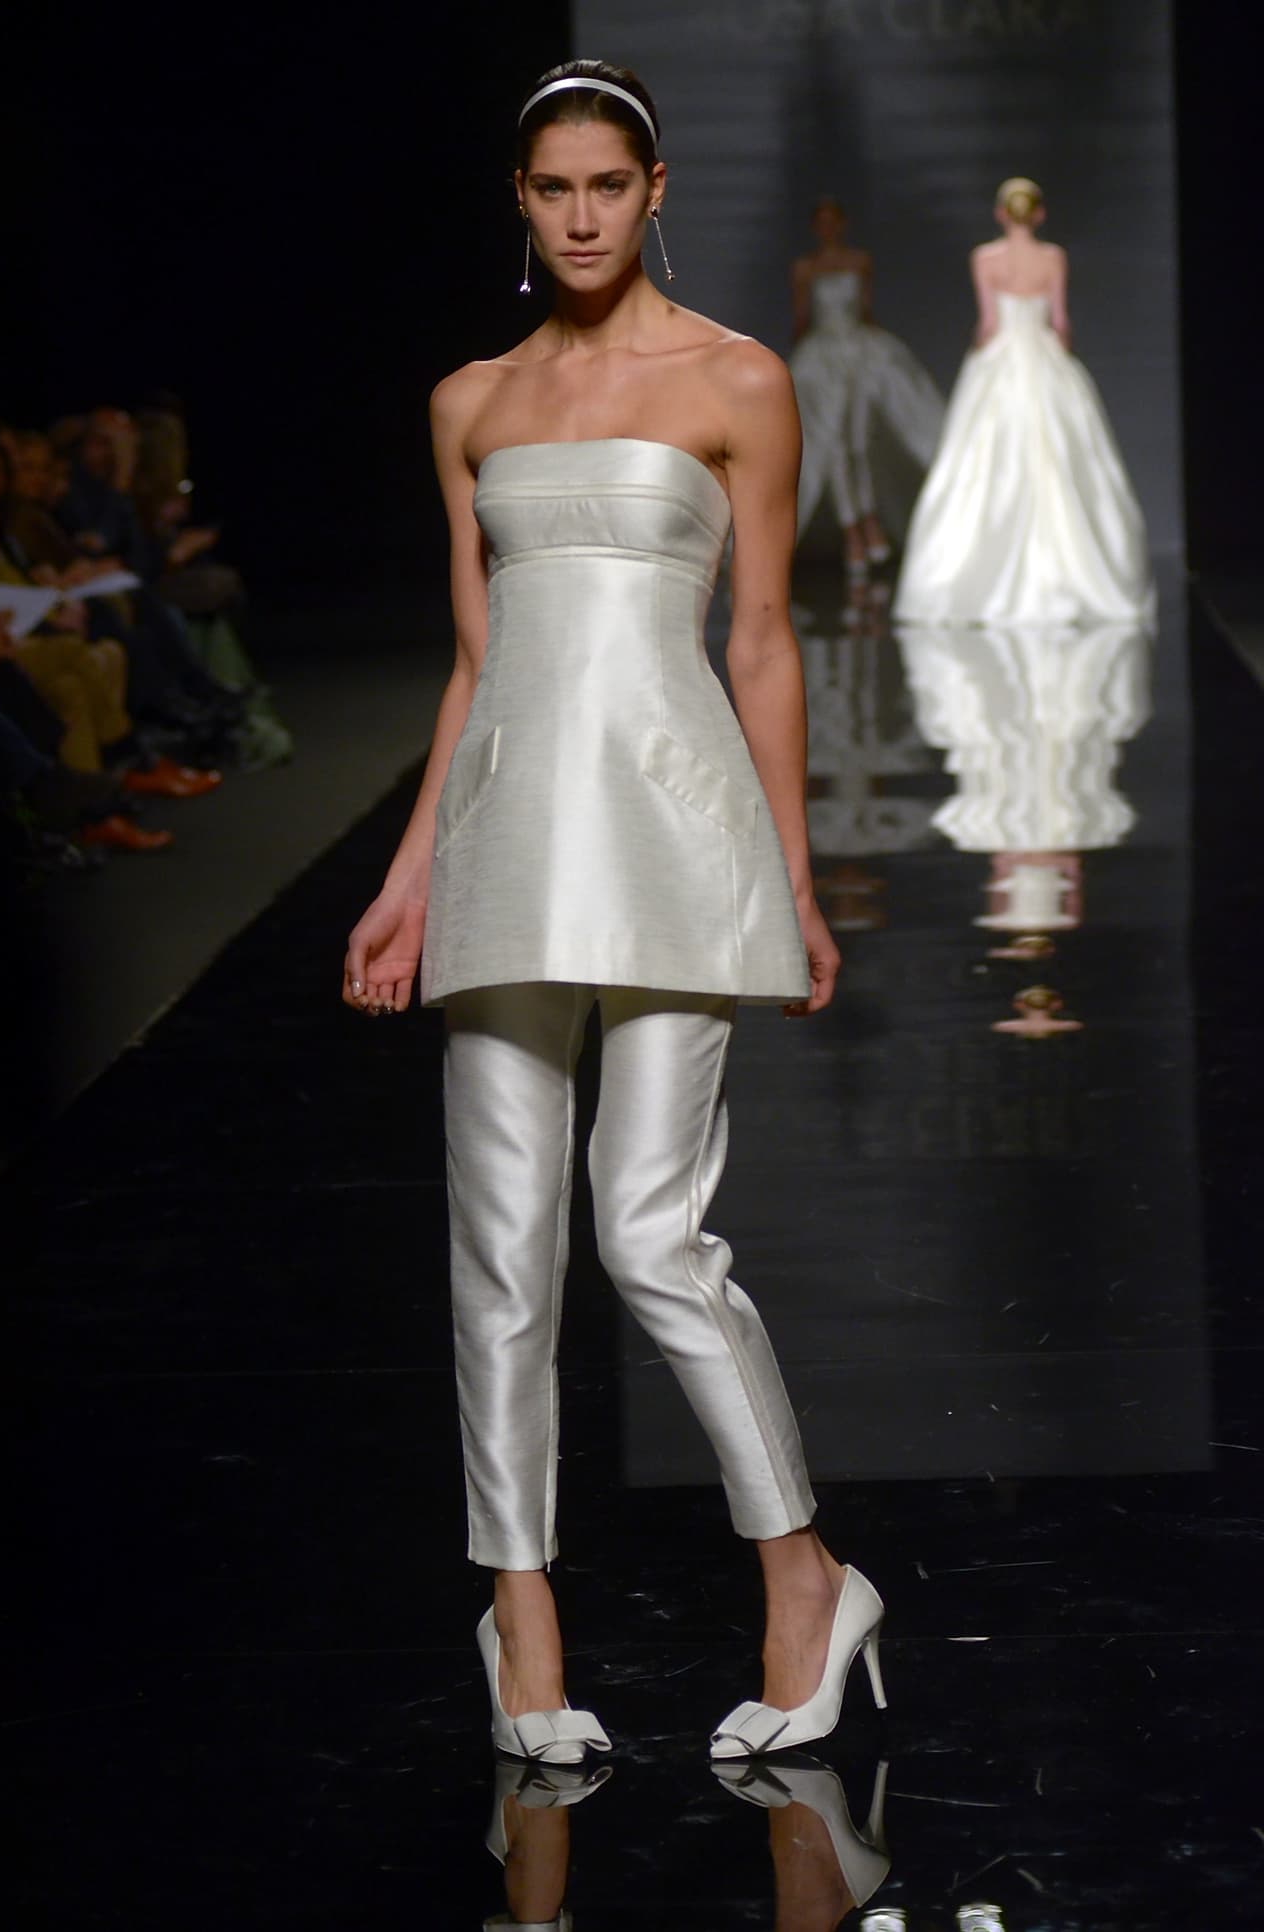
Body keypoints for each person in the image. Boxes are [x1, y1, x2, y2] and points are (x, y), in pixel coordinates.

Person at [341, 60, 886, 1766]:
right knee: (501, 1250)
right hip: (509, 839)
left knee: (652, 1234)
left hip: (672, 832)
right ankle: (520, 1613)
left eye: (608, 184)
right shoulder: (471, 401)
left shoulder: (737, 377)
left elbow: (764, 642)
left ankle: (806, 1578)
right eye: (552, 187)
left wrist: (794, 876)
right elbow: (476, 661)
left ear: (655, 190)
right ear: (522, 199)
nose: (581, 214)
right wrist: (409, 870)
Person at [893, 178, 1154, 626]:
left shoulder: (985, 258)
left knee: (988, 464)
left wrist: (979, 356)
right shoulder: (1053, 258)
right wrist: (1057, 353)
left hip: (1000, 364)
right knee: (1059, 461)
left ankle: (980, 582)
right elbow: (1060, 323)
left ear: (1000, 214)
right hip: (1044, 358)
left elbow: (988, 325)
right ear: (1039, 214)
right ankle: (1069, 575)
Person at [789, 197, 943, 574]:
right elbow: (802, 318)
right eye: (821, 221)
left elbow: (866, 310)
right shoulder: (805, 268)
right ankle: (854, 532)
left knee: (858, 443)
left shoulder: (860, 261)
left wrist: (881, 355)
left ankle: (868, 522)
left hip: (859, 355)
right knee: (833, 446)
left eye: (832, 221)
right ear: (815, 227)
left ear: (842, 224)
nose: (827, 228)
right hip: (823, 362)